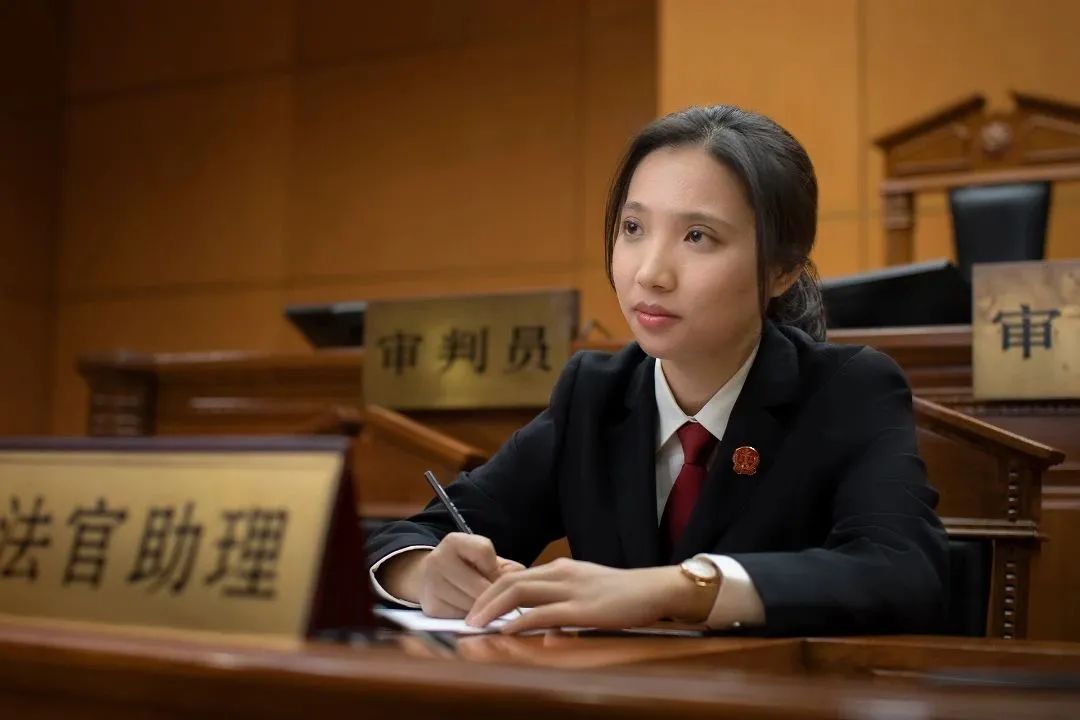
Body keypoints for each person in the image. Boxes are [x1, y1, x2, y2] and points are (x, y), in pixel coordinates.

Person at [366, 105, 948, 636]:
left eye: (697, 236)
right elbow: (408, 538)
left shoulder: (848, 390)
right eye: (633, 228)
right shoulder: (595, 395)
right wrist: (423, 573)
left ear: (783, 269)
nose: (649, 273)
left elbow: (903, 570)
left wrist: (677, 588)